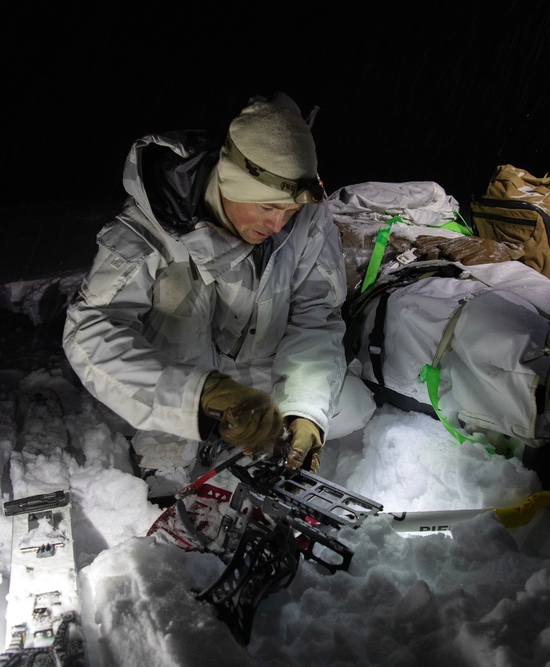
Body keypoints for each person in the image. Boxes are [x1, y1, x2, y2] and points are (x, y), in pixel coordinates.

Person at [62, 92, 355, 497]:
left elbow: (316, 316)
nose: (278, 224)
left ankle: (258, 434)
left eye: (290, 211)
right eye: (268, 207)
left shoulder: (307, 219)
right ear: (230, 184)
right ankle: (166, 448)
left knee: (352, 406)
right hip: (181, 379)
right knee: (178, 289)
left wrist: (303, 410)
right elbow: (90, 329)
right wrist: (199, 394)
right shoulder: (150, 226)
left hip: (257, 381)